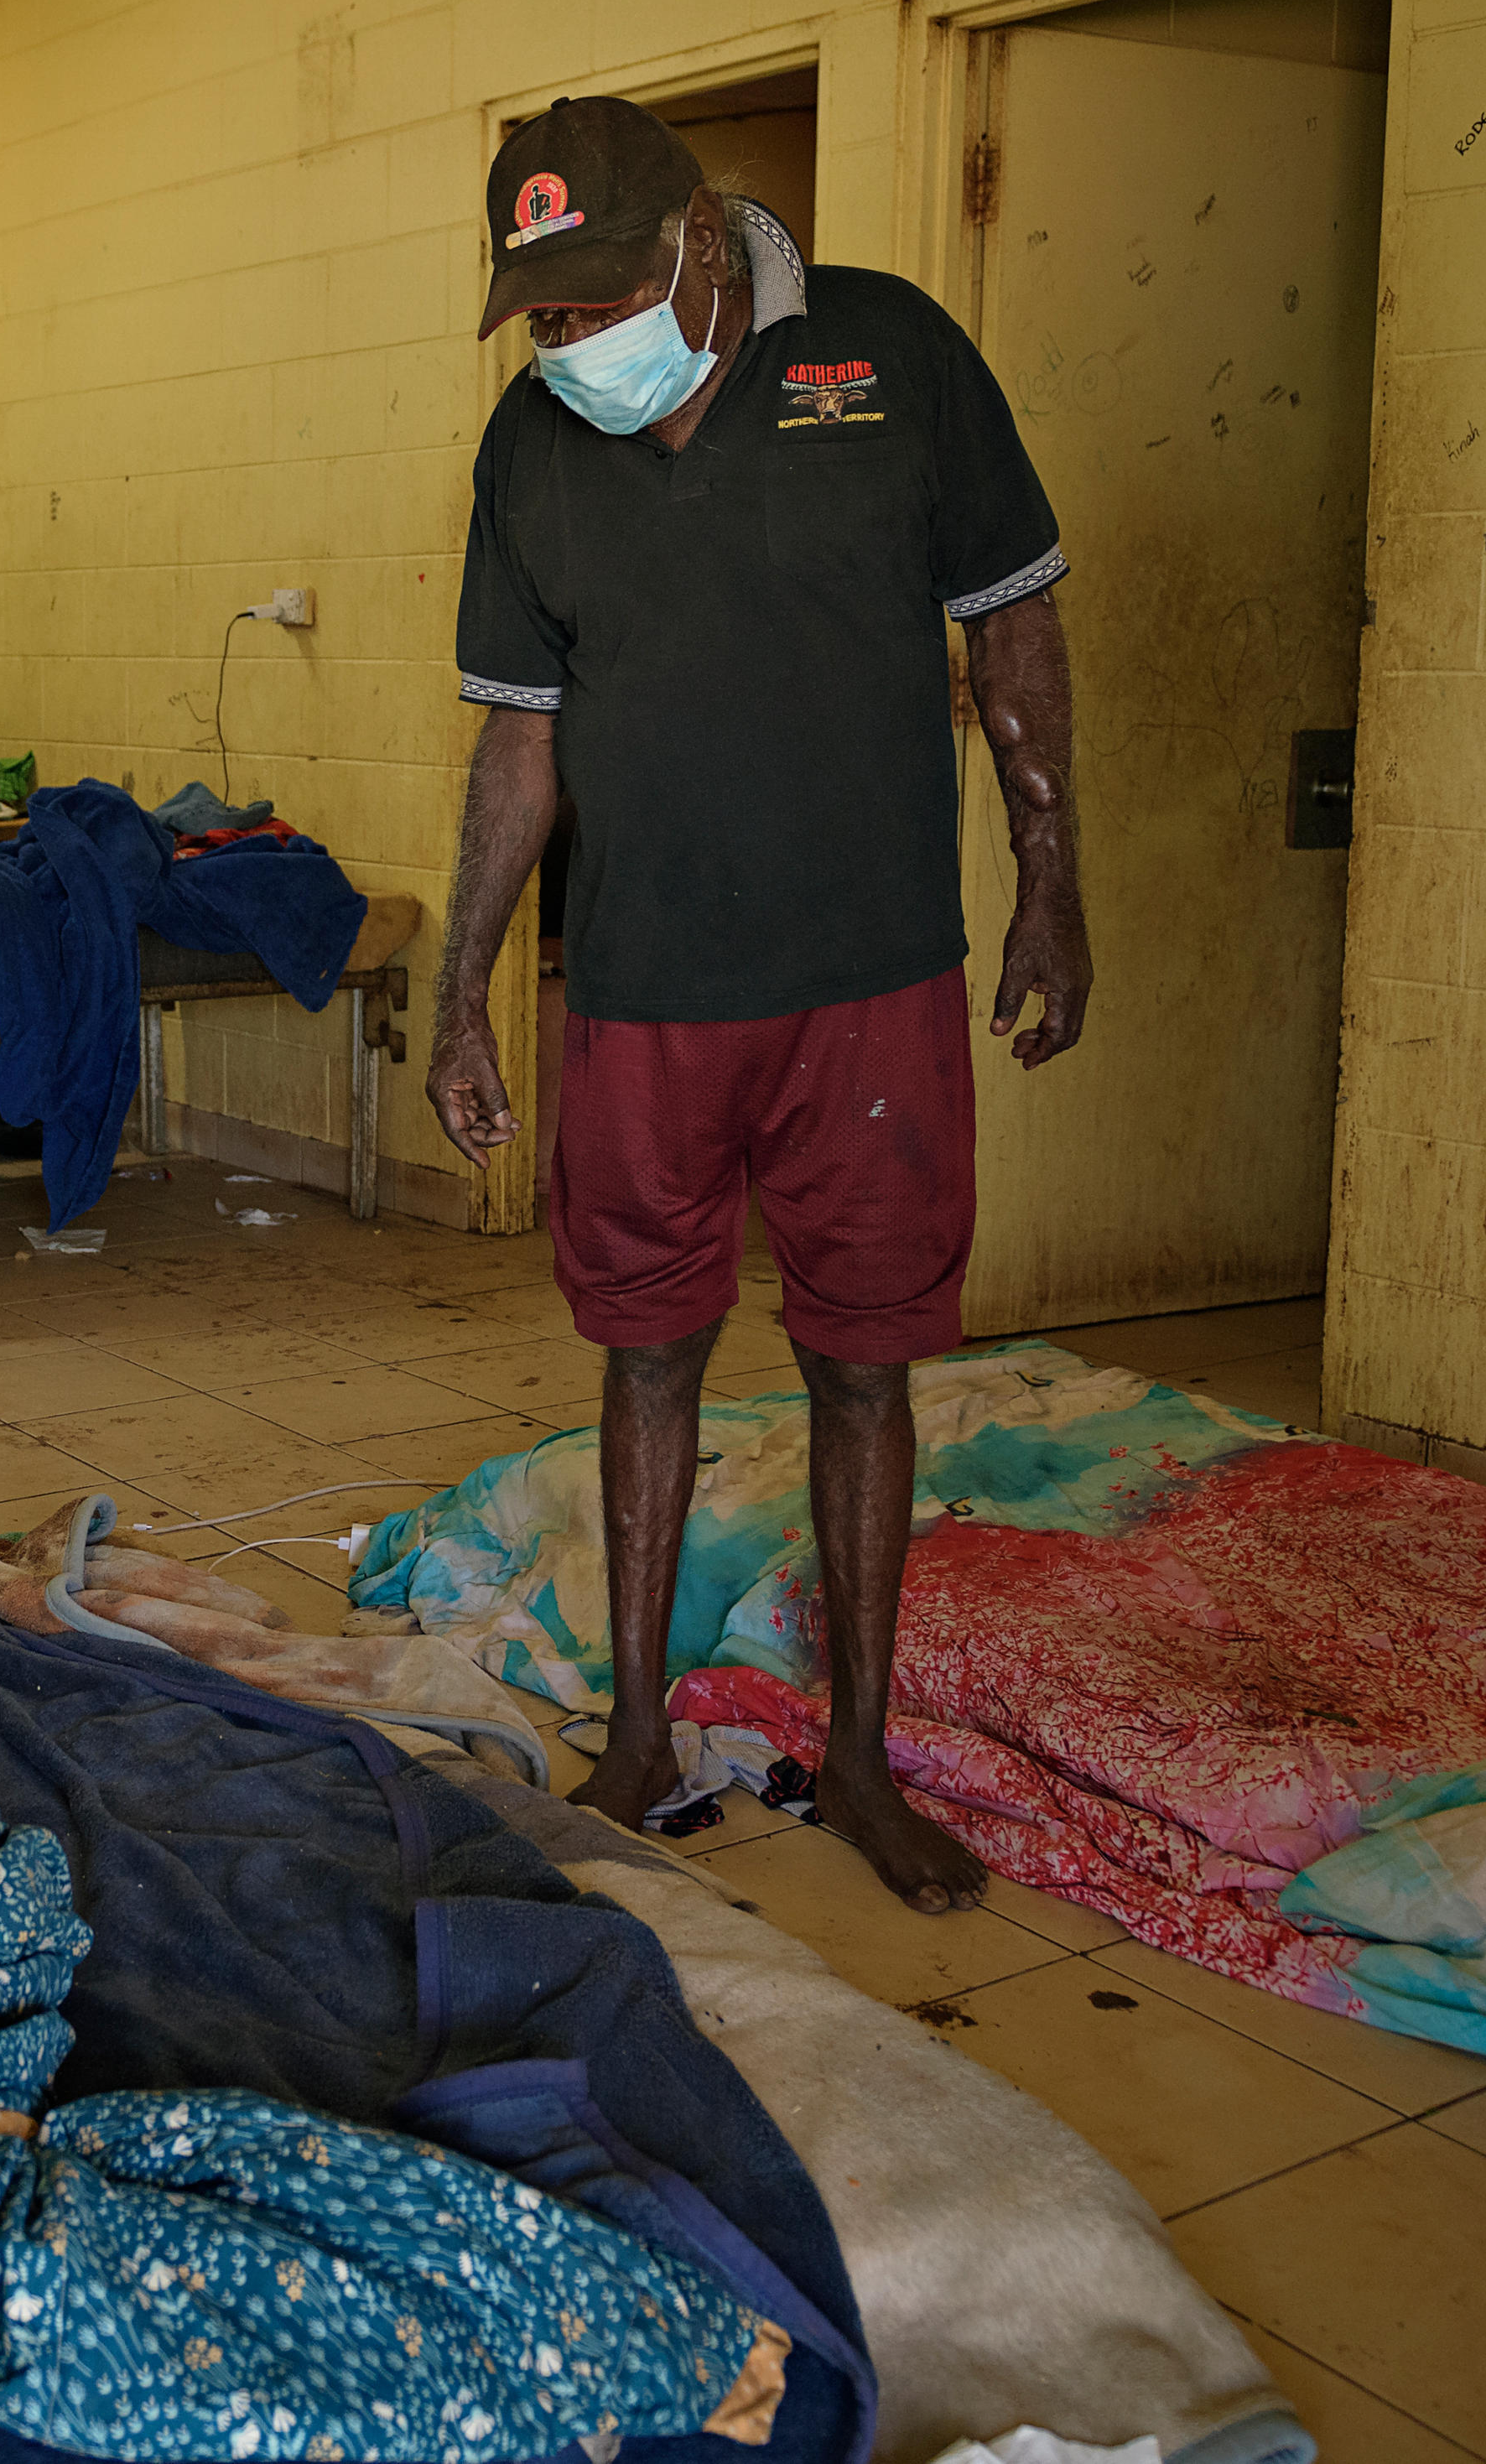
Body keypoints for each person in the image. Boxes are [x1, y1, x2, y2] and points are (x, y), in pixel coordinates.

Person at [424, 96, 1088, 1915]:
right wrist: (463, 980)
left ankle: (858, 1754)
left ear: (698, 251)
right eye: (538, 316)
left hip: (871, 971)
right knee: (646, 1343)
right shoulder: (533, 443)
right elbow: (518, 736)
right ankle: (640, 1730)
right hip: (645, 982)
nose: (569, 346)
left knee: (862, 1360)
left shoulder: (893, 359)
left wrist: (1051, 876)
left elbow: (1011, 628)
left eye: (593, 303)